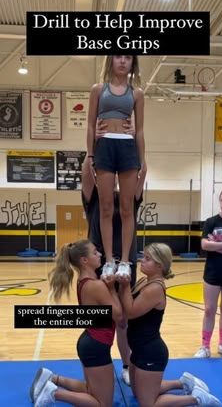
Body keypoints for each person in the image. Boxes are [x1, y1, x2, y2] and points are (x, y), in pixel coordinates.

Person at [118, 242, 222, 407]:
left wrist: (123, 285)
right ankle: (182, 383)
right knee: (137, 393)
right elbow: (126, 303)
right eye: (143, 256)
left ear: (159, 266)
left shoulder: (155, 288)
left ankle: (198, 399)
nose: (142, 261)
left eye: (147, 259)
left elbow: (131, 311)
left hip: (150, 352)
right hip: (138, 348)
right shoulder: (144, 280)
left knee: (147, 404)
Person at [82, 145, 146, 386]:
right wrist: (97, 145)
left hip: (126, 264)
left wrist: (132, 146)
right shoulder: (94, 200)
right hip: (100, 263)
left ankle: (127, 366)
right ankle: (97, 362)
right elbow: (87, 170)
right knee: (98, 319)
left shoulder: (130, 200)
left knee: (123, 320)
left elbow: (142, 171)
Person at [30, 239, 123, 407]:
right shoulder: (97, 286)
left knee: (90, 390)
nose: (100, 254)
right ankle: (54, 393)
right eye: (95, 252)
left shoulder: (84, 280)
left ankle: (52, 379)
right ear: (84, 260)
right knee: (103, 404)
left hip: (90, 341)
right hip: (96, 345)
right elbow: (119, 316)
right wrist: (111, 288)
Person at [87, 55, 145, 277]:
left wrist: (143, 161)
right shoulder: (98, 89)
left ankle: (125, 262)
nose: (123, 61)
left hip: (127, 148)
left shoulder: (136, 93)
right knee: (106, 207)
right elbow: (90, 126)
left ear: (133, 62)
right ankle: (109, 259)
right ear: (111, 60)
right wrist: (91, 153)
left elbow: (139, 130)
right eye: (119, 56)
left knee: (127, 208)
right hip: (104, 147)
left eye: (128, 57)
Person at [194, 188, 222, 358]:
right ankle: (205, 346)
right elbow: (204, 246)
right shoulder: (210, 222)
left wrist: (215, 246)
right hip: (212, 273)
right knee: (209, 309)